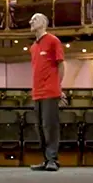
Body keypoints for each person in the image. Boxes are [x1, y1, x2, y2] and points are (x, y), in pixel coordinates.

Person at [28, 12, 66, 172]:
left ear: (43, 23)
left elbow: (61, 65)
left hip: (50, 92)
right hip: (37, 93)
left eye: (34, 19)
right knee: (40, 128)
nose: (31, 21)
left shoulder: (53, 41)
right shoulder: (33, 47)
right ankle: (45, 160)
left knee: (50, 127)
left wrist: (58, 88)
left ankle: (53, 160)